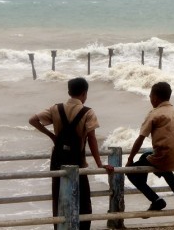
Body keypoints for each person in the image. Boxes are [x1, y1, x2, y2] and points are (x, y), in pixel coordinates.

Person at [29, 77, 114, 230]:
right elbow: (92, 138)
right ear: (85, 93)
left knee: (59, 197)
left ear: (69, 92)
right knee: (83, 200)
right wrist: (100, 163)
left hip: (58, 159)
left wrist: (52, 136)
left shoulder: (56, 108)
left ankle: (60, 227)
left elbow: (33, 120)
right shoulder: (88, 112)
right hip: (77, 160)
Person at [126, 81, 174, 212]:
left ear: (155, 97)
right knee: (149, 156)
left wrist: (129, 160)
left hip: (165, 156)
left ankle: (156, 200)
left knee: (131, 172)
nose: (150, 99)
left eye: (150, 96)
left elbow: (140, 139)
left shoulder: (154, 114)